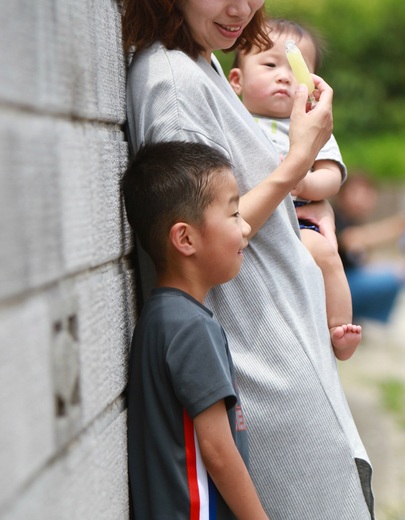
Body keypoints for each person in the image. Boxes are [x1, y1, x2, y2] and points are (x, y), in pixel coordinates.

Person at [122, 2, 375, 518]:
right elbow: (198, 234)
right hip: (266, 387)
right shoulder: (171, 86)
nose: (241, 8)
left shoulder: (203, 60)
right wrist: (297, 161)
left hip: (293, 367)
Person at [122, 140, 269, 519]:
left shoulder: (161, 318)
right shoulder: (191, 328)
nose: (246, 226)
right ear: (185, 238)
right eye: (234, 214)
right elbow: (218, 451)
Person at [228, 17, 362, 353]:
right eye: (270, 64)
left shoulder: (311, 123)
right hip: (247, 219)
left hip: (298, 218)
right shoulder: (233, 119)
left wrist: (305, 181)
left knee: (326, 253)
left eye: (294, 69)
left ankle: (339, 327)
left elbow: (331, 175)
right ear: (236, 80)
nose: (284, 76)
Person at [334, 172, 405, 324]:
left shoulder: (354, 220)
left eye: (367, 192)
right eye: (356, 192)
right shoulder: (334, 217)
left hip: (347, 283)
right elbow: (351, 239)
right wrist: (398, 225)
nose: (362, 198)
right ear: (342, 194)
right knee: (395, 274)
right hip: (336, 289)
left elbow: (361, 261)